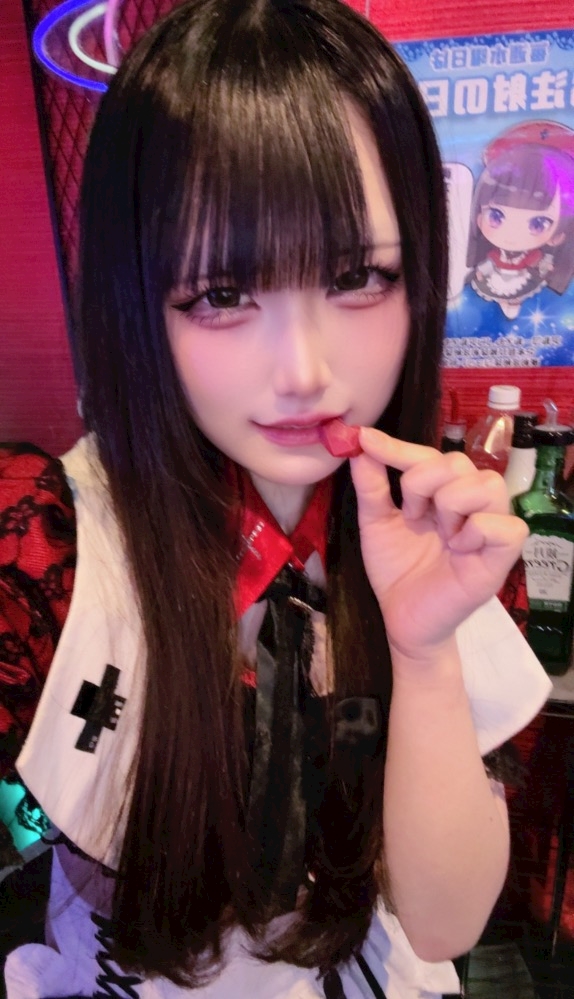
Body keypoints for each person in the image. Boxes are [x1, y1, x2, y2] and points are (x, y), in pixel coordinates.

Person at [0, 1, 551, 997]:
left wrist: (424, 652)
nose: (303, 371)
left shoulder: (441, 531)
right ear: (136, 298)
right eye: (221, 293)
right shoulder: (47, 539)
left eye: (358, 276)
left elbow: (444, 919)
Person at [466, 121, 574, 320]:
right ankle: (505, 304)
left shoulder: (535, 257)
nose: (512, 234)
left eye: (537, 224)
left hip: (525, 282)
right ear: (479, 217)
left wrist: (545, 267)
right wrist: (481, 271)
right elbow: (490, 262)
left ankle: (512, 303)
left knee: (518, 295)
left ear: (559, 235)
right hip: (497, 279)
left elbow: (538, 262)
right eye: (496, 216)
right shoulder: (493, 254)